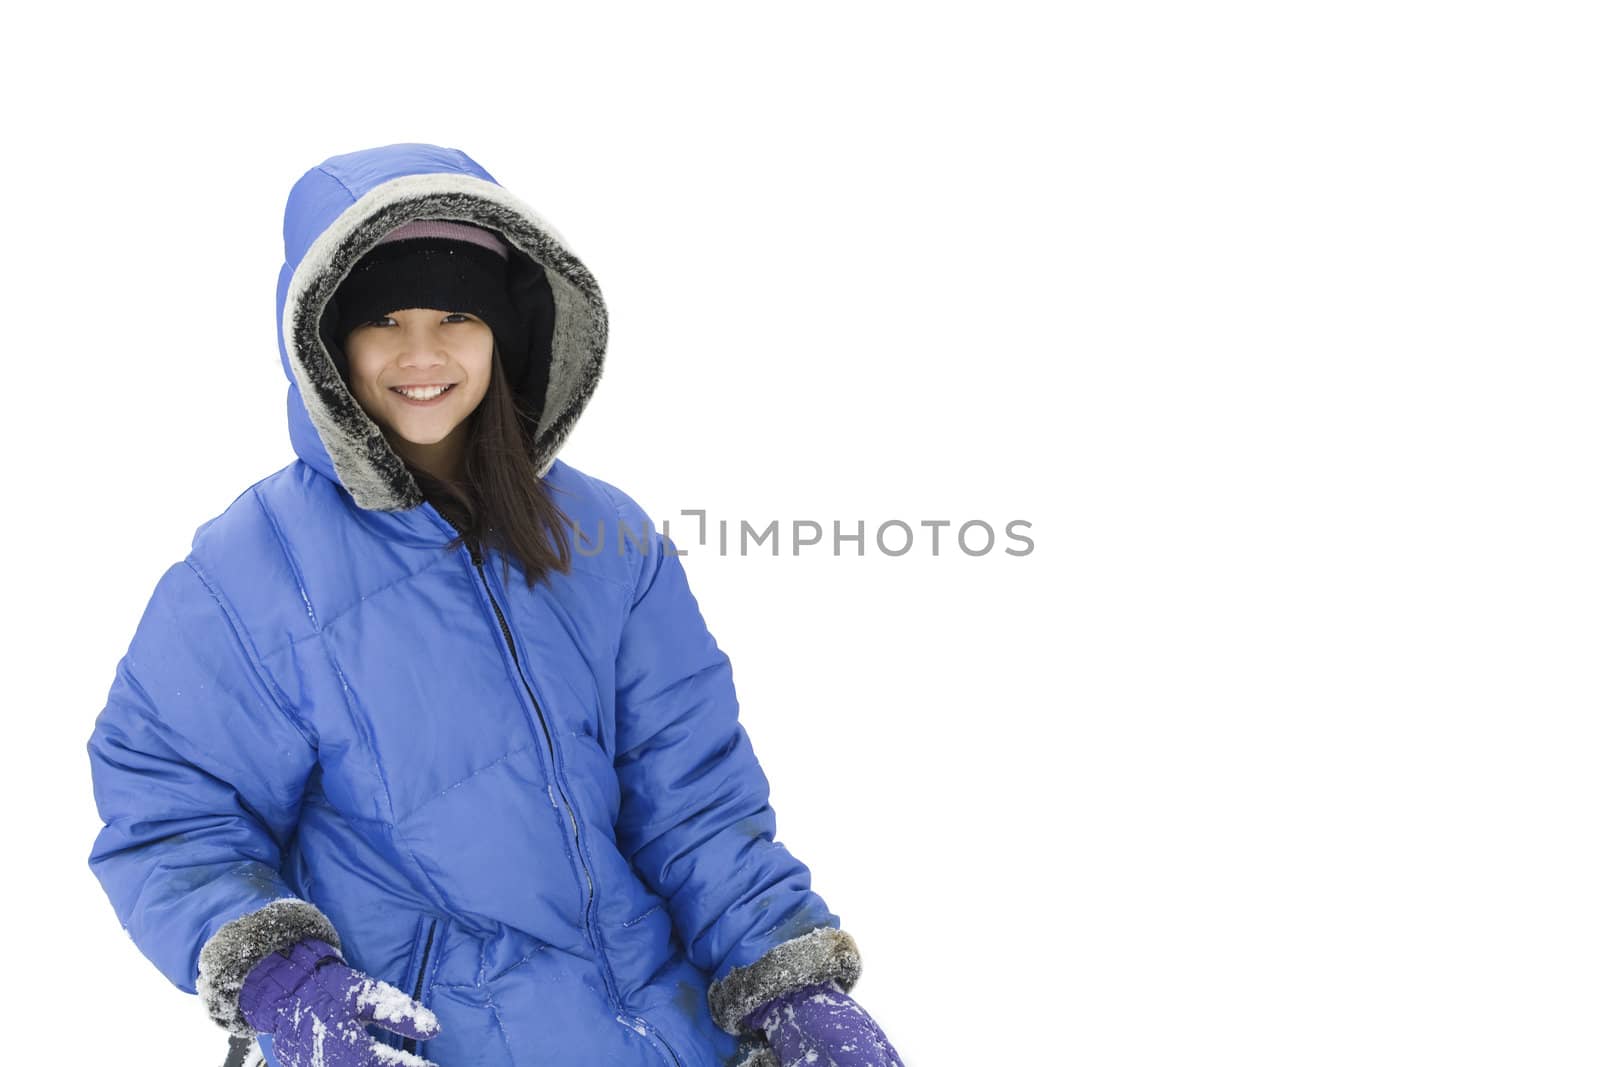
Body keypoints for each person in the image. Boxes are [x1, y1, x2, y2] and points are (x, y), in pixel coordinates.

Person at [85, 143, 905, 1067]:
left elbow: (696, 803)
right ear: (323, 339)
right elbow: (171, 813)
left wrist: (790, 982)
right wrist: (284, 979)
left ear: (505, 332)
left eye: (456, 314)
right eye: (383, 318)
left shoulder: (606, 539)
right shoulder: (247, 574)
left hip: (667, 1036)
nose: (422, 353)